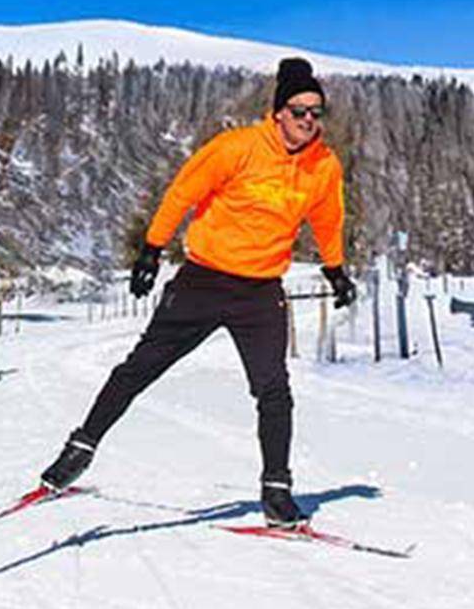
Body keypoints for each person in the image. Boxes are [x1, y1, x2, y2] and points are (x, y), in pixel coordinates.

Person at [37, 57, 357, 527]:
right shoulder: (237, 148)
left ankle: (277, 493)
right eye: (298, 110)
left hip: (260, 291)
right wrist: (151, 248)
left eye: (316, 112)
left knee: (274, 391)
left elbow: (328, 219)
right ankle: (79, 449)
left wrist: (335, 270)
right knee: (141, 367)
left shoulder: (323, 166)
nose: (309, 121)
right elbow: (183, 192)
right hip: (203, 281)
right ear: (278, 112)